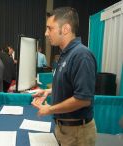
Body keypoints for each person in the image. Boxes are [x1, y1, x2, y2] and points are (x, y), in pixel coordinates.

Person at [32, 7, 97, 146]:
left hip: (78, 134)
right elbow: (68, 84)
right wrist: (49, 91)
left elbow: (83, 99)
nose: (46, 33)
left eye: (50, 28)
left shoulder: (81, 55)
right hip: (65, 129)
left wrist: (49, 109)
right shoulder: (65, 54)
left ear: (66, 29)